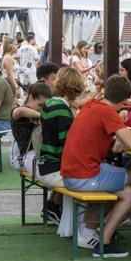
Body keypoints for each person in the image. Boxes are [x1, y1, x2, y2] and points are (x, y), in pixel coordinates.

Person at [61, 75, 131, 258]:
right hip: (85, 176)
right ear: (126, 100)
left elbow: (116, 142)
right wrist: (122, 128)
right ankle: (105, 239)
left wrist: (119, 135)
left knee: (128, 192)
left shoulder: (92, 104)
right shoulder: (108, 112)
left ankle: (98, 232)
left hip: (73, 172)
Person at [38, 67, 85, 227]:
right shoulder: (62, 110)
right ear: (75, 87)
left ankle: (54, 208)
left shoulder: (50, 103)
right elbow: (68, 145)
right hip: (55, 168)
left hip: (46, 164)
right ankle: (89, 226)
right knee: (102, 177)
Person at [11, 81, 52, 168]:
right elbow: (20, 111)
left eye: (45, 106)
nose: (42, 108)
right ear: (30, 98)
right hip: (24, 158)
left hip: (36, 155)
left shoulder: (38, 112)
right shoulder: (18, 112)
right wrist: (44, 116)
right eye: (40, 105)